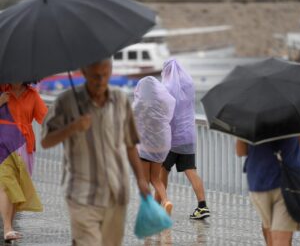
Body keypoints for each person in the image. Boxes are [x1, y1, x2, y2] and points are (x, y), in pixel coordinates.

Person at [41, 59, 150, 246]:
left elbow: (130, 143)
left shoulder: (121, 100)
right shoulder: (66, 102)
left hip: (116, 193)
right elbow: (45, 140)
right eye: (95, 76)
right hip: (82, 194)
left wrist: (141, 179)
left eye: (105, 74)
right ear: (84, 72)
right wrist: (72, 127)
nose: (100, 80)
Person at [156, 59, 210, 220]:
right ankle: (202, 206)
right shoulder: (188, 87)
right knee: (191, 170)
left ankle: (162, 204)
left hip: (171, 139)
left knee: (162, 171)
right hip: (188, 137)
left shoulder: (166, 88)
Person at [236, 135, 300, 246]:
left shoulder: (250, 120)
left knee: (273, 236)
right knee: (279, 239)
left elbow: (241, 151)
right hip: (288, 182)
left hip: (259, 182)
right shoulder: (292, 120)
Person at [0, 82, 48, 243]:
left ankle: (10, 227)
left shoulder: (33, 95)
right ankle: (7, 228)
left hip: (24, 144)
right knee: (6, 185)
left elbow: (46, 119)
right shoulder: (1, 90)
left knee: (18, 186)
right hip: (2, 144)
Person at [132, 76, 176, 215]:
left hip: (145, 147)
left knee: (145, 180)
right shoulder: (162, 104)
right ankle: (165, 201)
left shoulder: (139, 105)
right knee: (156, 178)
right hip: (162, 145)